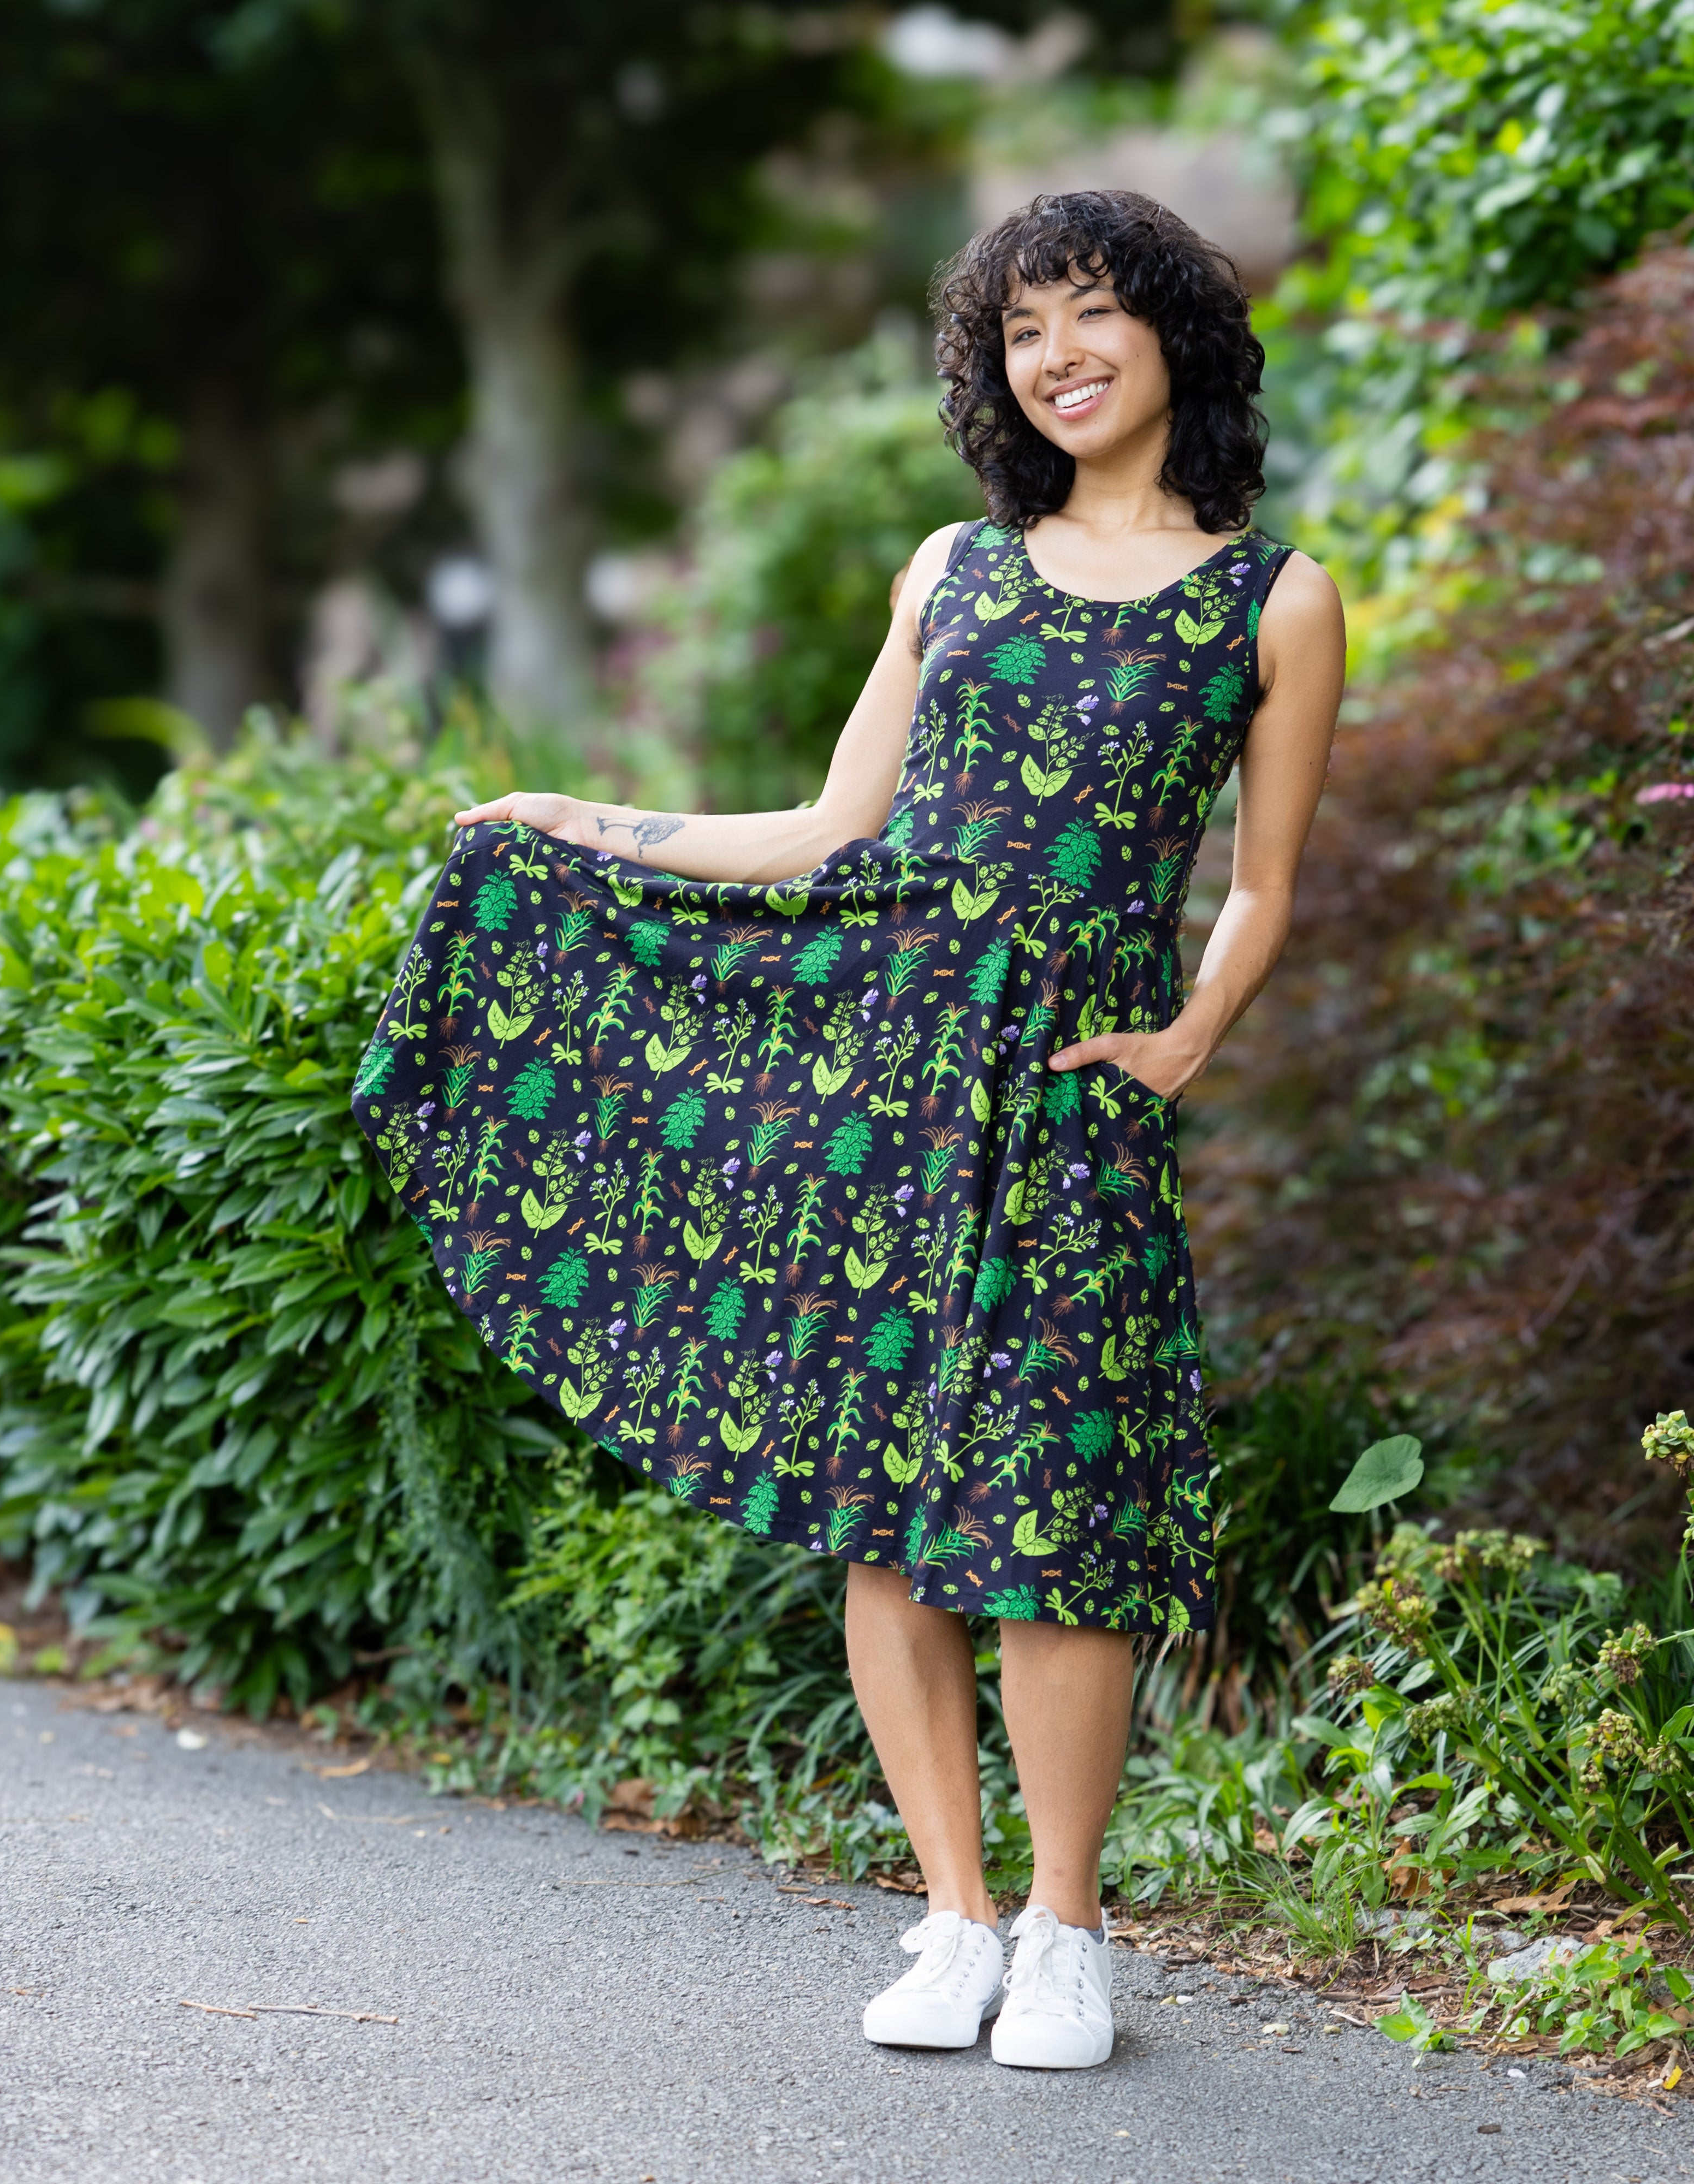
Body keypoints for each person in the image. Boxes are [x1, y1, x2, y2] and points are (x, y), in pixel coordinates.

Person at [350, 189, 1344, 2072]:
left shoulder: (1272, 596)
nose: (1058, 355)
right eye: (1021, 328)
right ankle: (954, 1917)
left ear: (1174, 338)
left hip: (1066, 1101)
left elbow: (1264, 883)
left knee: (1061, 1509)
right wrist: (582, 825)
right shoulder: (953, 570)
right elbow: (825, 836)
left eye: (1092, 315)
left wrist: (1192, 1035)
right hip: (880, 1071)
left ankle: (1067, 1930)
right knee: (883, 1502)